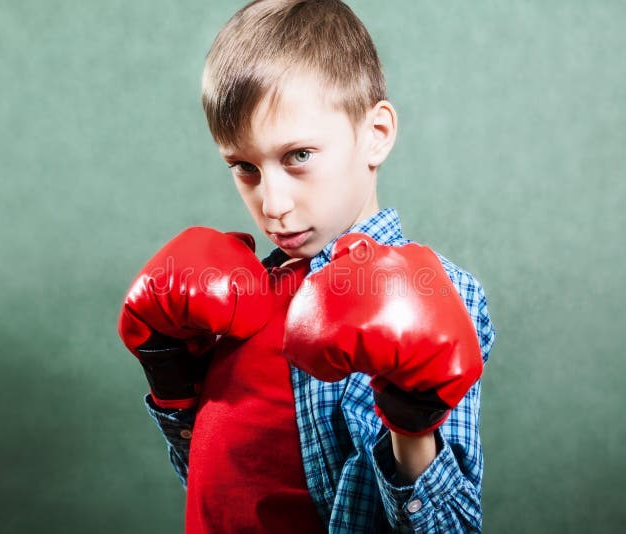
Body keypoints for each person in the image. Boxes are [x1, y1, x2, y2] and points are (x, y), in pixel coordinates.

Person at [117, 1, 497, 532]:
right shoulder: (236, 297)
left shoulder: (435, 293)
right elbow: (213, 489)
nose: (272, 204)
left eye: (298, 156)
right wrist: (171, 378)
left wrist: (412, 424)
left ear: (376, 134)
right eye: (245, 167)